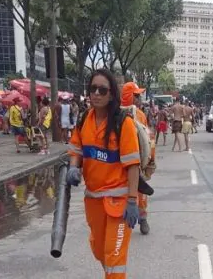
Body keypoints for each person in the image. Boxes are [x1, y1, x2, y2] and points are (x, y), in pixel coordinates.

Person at [66, 69, 140, 279]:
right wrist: (73, 167)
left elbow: (133, 164)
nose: (96, 94)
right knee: (100, 252)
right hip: (94, 200)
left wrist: (133, 201)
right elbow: (76, 150)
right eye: (93, 89)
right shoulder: (84, 120)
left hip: (119, 203)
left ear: (111, 94)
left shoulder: (122, 123)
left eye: (102, 90)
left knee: (114, 260)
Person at [121, 81, 151, 235]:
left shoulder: (140, 115)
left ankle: (143, 219)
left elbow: (147, 140)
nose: (139, 99)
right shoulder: (114, 115)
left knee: (140, 191)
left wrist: (149, 163)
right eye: (136, 95)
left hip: (137, 162)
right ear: (128, 96)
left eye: (139, 95)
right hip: (119, 162)